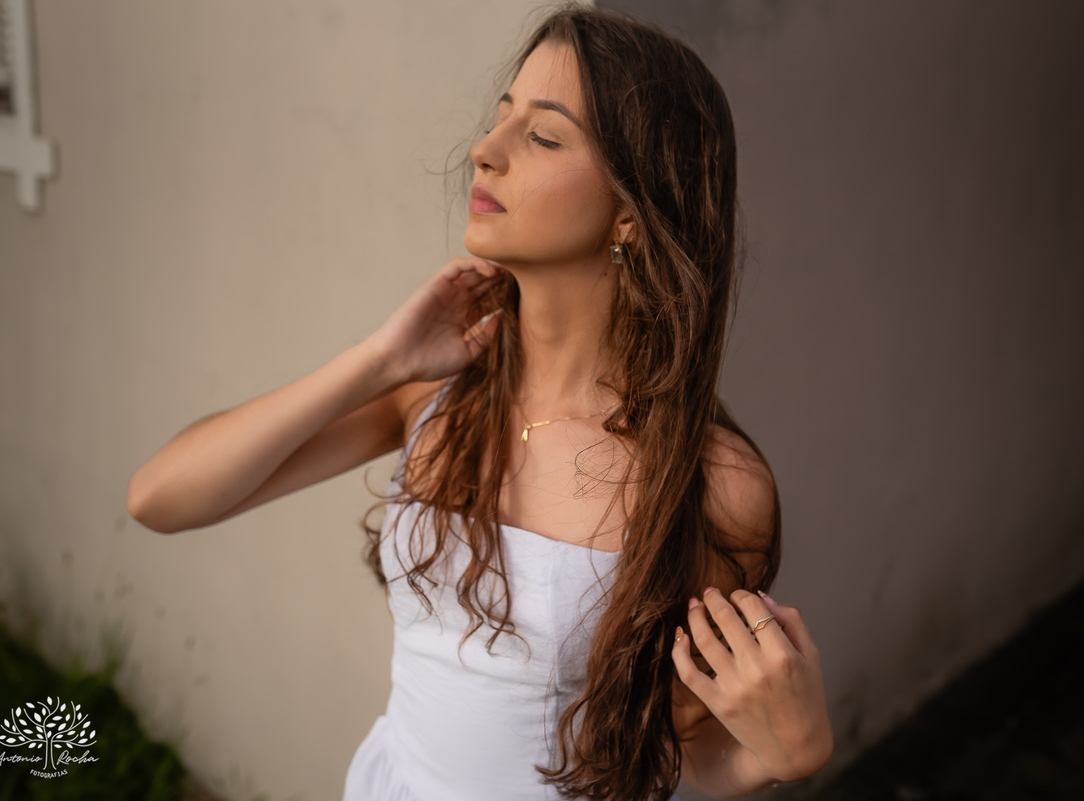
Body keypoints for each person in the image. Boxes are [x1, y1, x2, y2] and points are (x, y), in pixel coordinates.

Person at [127, 6, 833, 800]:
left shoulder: (710, 484)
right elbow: (160, 497)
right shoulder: (437, 391)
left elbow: (687, 750)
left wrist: (784, 753)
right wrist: (376, 360)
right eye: (501, 120)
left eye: (543, 136)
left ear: (631, 215)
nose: (483, 152)